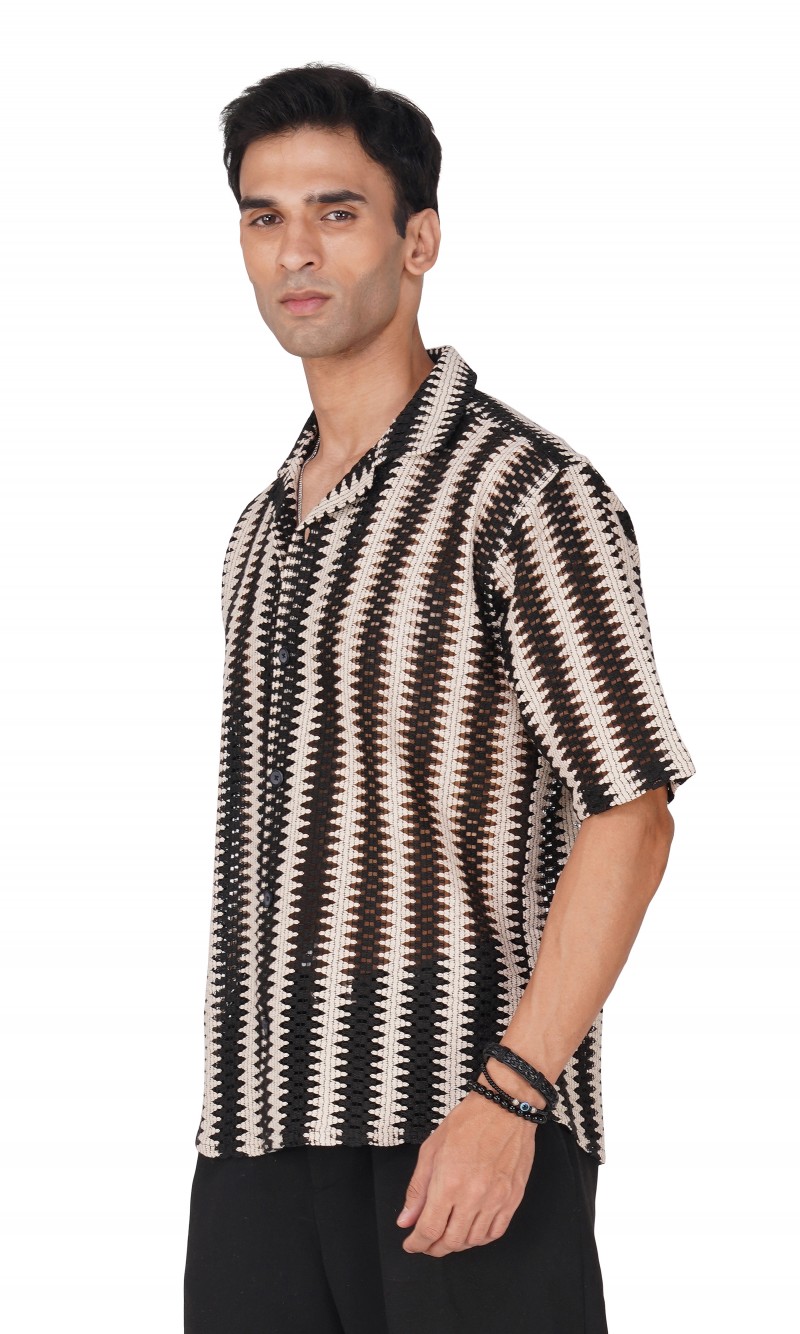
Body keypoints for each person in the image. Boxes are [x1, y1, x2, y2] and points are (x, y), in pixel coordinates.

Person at [183, 62, 696, 1334]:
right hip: (256, 1133)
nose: (295, 250)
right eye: (263, 216)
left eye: (336, 210)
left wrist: (510, 1095)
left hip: (456, 1121)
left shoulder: (524, 494)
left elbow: (629, 813)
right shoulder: (259, 530)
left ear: (418, 240)